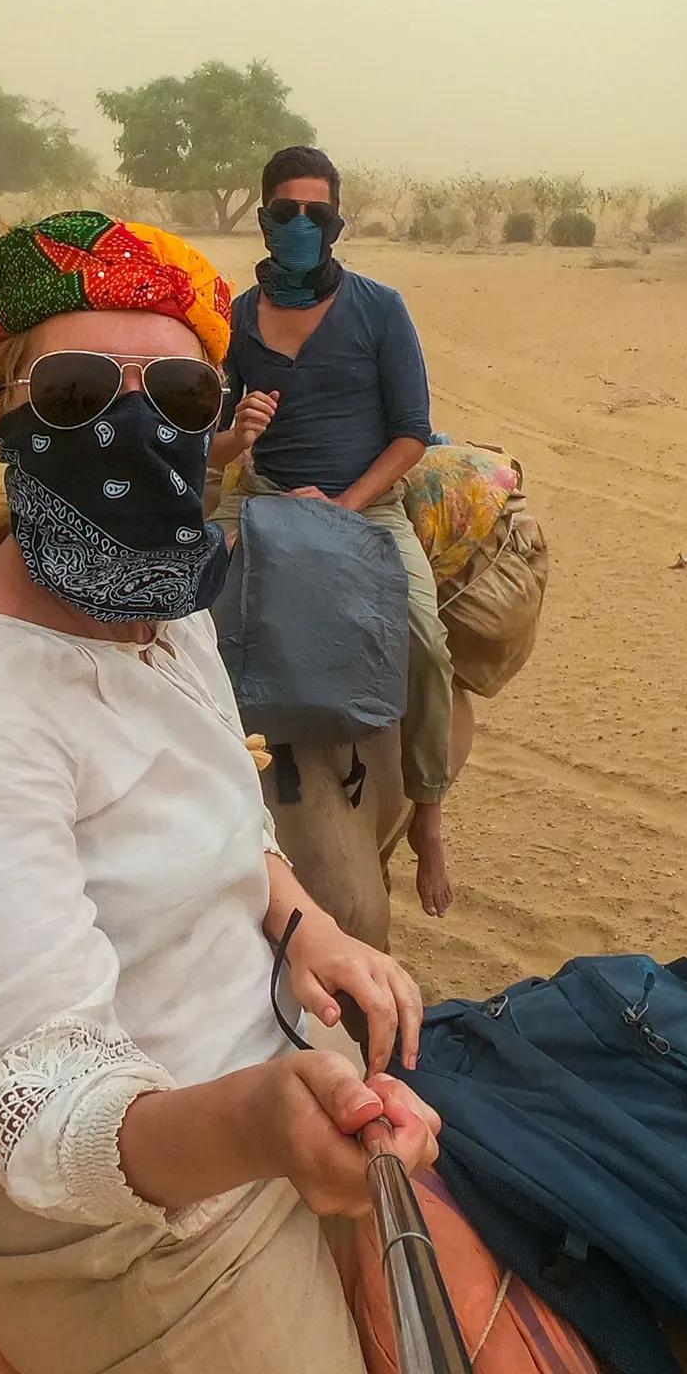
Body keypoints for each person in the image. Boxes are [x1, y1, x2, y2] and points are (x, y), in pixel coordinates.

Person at [0, 210, 439, 1374]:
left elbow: (226, 818)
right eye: (71, 391)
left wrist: (308, 926)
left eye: (176, 391)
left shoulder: (165, 616)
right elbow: (35, 1102)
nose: (133, 424)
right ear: (1, 409)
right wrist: (262, 1121)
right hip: (141, 1238)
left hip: (281, 1077)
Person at [210, 146, 457, 918]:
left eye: (317, 215)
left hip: (365, 504)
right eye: (286, 213)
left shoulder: (380, 309)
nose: (301, 226)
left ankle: (430, 810)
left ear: (337, 222)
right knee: (175, 606)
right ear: (264, 217)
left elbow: (413, 434)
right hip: (265, 495)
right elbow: (210, 444)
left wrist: (343, 507)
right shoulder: (237, 321)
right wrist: (237, 435)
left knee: (422, 635)